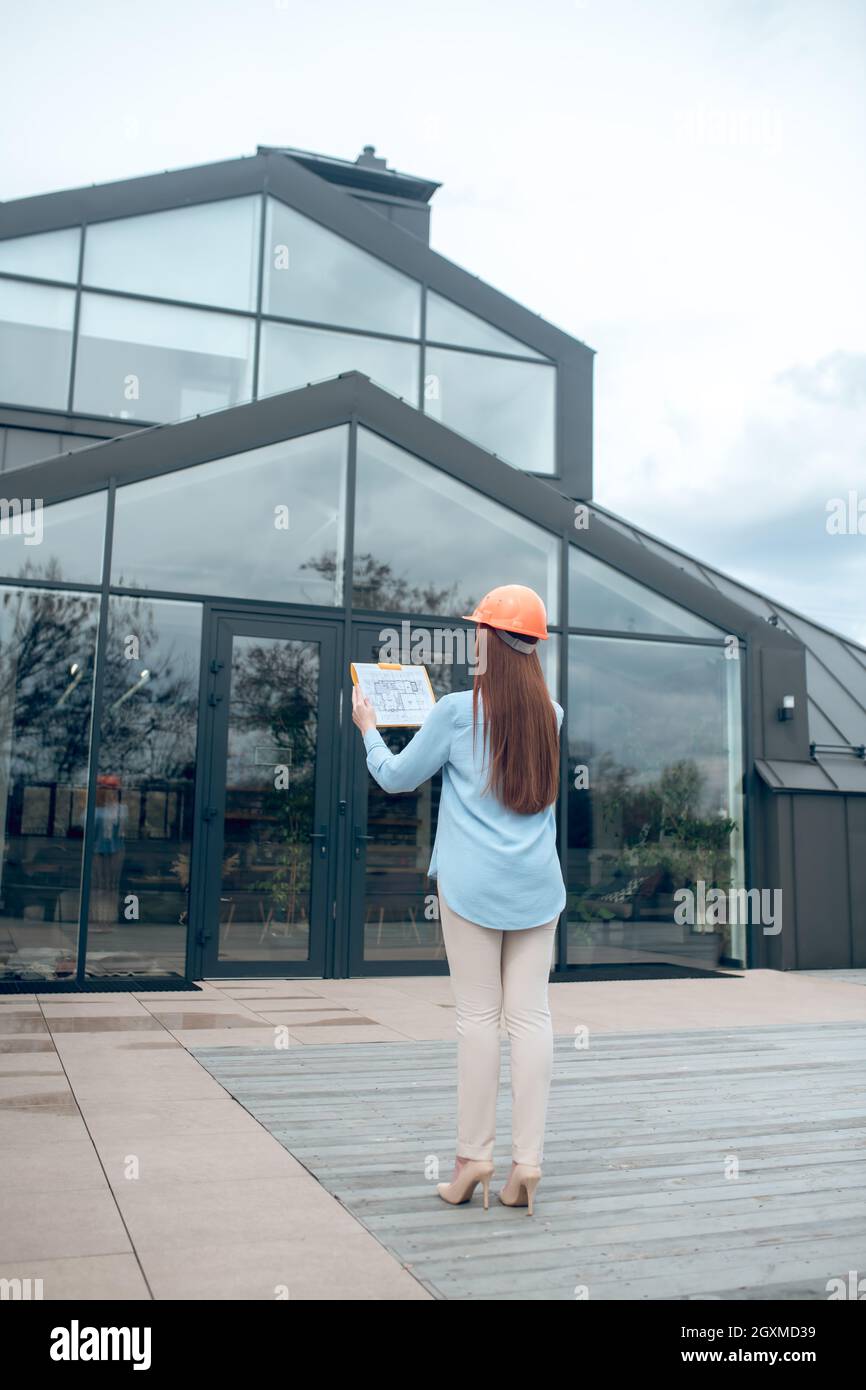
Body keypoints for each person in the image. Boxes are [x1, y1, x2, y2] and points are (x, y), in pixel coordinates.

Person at [352, 584, 565, 1216]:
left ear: (490, 640)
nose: (472, 636)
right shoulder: (551, 714)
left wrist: (369, 728)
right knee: (532, 1020)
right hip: (538, 888)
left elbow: (394, 778)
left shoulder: (454, 710)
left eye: (477, 628)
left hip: (471, 889)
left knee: (478, 1020)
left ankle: (474, 1158)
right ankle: (528, 1161)